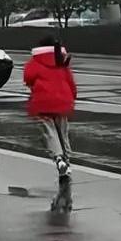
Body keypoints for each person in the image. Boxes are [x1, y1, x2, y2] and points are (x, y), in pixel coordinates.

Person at [23, 37, 77, 180]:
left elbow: (28, 78)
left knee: (50, 132)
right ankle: (67, 162)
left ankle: (59, 160)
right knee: (63, 133)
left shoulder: (34, 62)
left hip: (43, 102)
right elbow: (71, 82)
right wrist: (72, 98)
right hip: (63, 101)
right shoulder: (62, 62)